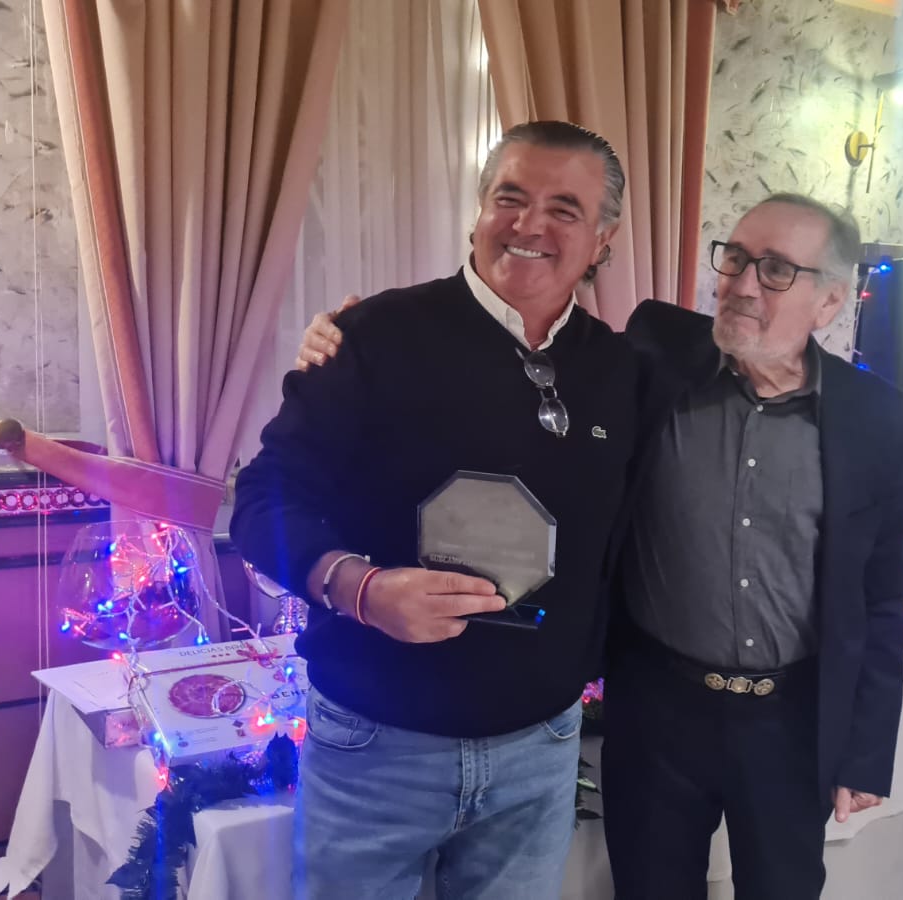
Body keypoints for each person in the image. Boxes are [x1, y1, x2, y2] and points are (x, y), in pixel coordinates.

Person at [300, 194, 903, 899]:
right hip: (658, 711)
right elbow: (522, 340)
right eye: (737, 258)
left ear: (830, 300)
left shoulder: (876, 418)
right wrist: (358, 341)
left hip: (790, 720)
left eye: (776, 270)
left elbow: (878, 596)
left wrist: (866, 752)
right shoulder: (657, 353)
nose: (743, 284)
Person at [232, 120, 644, 900]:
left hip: (541, 749)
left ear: (602, 239)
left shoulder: (623, 370)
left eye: (564, 209)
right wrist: (359, 587)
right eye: (509, 197)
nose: (529, 224)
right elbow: (262, 499)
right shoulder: (372, 337)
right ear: (478, 210)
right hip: (375, 743)